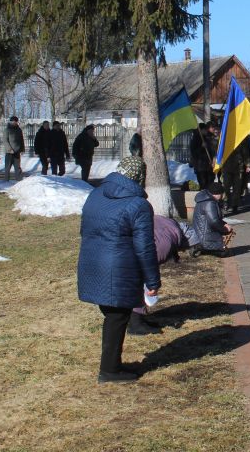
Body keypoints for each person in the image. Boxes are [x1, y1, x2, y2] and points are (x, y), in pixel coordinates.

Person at [77, 156, 160, 383]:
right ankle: (110, 370)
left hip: (92, 262)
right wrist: (152, 282)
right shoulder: (139, 205)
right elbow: (145, 247)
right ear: (140, 178)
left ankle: (111, 365)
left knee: (113, 315)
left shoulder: (95, 194)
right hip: (118, 268)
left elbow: (84, 229)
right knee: (117, 316)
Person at [128, 215, 194, 335]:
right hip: (127, 259)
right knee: (137, 281)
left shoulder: (166, 223)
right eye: (185, 248)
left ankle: (136, 320)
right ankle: (135, 324)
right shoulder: (167, 242)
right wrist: (153, 284)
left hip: (119, 250)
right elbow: (148, 265)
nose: (183, 251)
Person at [191, 181, 232, 256]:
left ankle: (201, 248)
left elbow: (213, 218)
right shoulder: (210, 203)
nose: (222, 196)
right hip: (206, 237)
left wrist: (224, 224)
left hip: (199, 235)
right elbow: (214, 221)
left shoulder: (203, 200)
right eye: (222, 194)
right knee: (225, 252)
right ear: (218, 194)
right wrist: (224, 230)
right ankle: (203, 248)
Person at [221, 138, 250, 214]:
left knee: (237, 188)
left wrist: (248, 165)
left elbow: (246, 153)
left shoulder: (240, 140)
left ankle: (235, 205)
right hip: (227, 168)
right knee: (226, 187)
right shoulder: (225, 139)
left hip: (238, 168)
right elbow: (219, 152)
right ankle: (226, 202)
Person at [189, 122, 217, 190]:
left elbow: (212, 150)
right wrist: (201, 147)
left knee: (210, 182)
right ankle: (203, 197)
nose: (206, 131)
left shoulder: (208, 138)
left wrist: (213, 159)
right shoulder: (195, 139)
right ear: (200, 130)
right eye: (204, 130)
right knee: (203, 183)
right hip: (200, 166)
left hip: (209, 165)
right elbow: (194, 153)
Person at [3, 116, 25, 181]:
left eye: (15, 121)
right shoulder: (7, 130)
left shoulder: (19, 130)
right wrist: (9, 149)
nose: (14, 122)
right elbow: (5, 140)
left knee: (17, 167)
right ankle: (6, 181)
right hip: (9, 152)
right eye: (13, 121)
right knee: (7, 168)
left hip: (17, 152)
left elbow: (21, 140)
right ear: (10, 121)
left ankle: (19, 180)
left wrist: (22, 149)